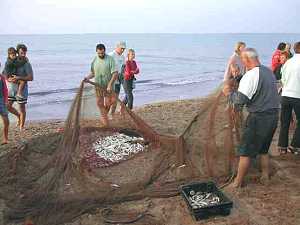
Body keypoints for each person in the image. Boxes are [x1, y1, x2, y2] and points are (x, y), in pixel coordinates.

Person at [223, 48, 280, 188]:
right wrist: (238, 78)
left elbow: (240, 100)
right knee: (264, 149)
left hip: (258, 119)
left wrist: (228, 94)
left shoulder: (251, 75)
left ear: (247, 60)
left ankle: (237, 182)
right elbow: (257, 86)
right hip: (273, 116)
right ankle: (265, 175)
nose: (242, 63)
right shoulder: (267, 71)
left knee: (245, 151)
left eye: (242, 60)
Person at [84, 43, 118, 126]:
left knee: (109, 103)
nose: (101, 55)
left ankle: (103, 117)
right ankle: (104, 119)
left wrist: (110, 85)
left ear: (104, 51)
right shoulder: (95, 60)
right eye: (99, 53)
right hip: (98, 86)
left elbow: (115, 73)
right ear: (96, 52)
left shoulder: (110, 59)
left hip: (108, 87)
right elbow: (93, 73)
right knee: (99, 103)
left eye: (102, 53)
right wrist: (87, 78)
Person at [2, 44, 34, 131]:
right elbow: (4, 73)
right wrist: (8, 79)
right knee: (7, 106)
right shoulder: (12, 62)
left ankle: (21, 127)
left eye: (24, 53)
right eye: (21, 53)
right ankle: (18, 116)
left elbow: (31, 78)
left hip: (22, 89)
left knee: (21, 107)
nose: (23, 55)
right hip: (11, 89)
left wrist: (19, 77)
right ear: (17, 53)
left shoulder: (27, 64)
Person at [277, 42, 300, 155]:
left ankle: (282, 147)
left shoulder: (288, 62)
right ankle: (295, 145)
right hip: (297, 96)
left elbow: (283, 79)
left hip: (285, 95)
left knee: (284, 122)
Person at [108, 41, 126, 116]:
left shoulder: (122, 57)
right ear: (117, 47)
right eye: (121, 48)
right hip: (110, 82)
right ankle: (106, 114)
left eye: (124, 49)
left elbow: (123, 68)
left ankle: (112, 115)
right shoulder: (111, 55)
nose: (122, 50)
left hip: (118, 81)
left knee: (115, 99)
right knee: (110, 100)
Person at [0, 67, 9, 145]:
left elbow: (5, 90)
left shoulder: (1, 77)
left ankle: (5, 138)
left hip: (1, 100)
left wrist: (6, 100)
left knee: (6, 120)